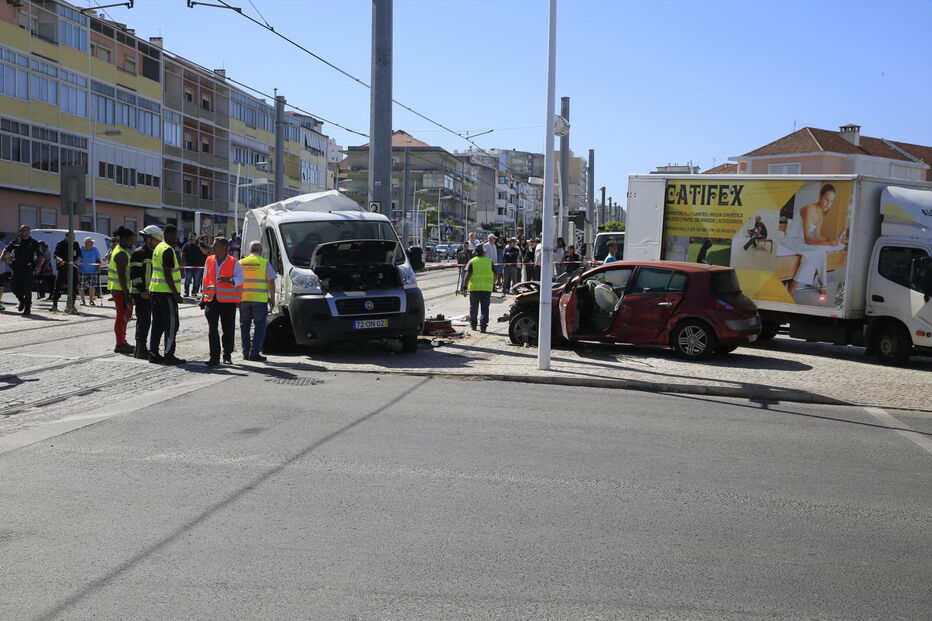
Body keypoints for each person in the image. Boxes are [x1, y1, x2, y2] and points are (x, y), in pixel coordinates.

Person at [786, 184, 846, 296]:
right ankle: (794, 285)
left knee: (821, 249)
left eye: (831, 201)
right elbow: (808, 239)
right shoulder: (809, 209)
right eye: (826, 199)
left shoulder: (821, 213)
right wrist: (827, 243)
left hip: (802, 240)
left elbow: (817, 235)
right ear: (820, 196)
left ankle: (821, 283)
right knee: (814, 251)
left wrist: (830, 239)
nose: (828, 204)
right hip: (793, 240)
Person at [200, 236, 243, 366]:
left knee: (228, 330)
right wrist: (203, 296)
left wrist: (229, 280)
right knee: (212, 329)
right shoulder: (209, 260)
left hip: (228, 301)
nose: (212, 246)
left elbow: (240, 278)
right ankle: (214, 357)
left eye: (215, 244)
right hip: (211, 299)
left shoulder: (233, 261)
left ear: (225, 248)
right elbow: (205, 278)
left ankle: (227, 354)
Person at [148, 224, 186, 365]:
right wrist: (175, 293)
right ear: (166, 234)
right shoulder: (168, 250)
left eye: (176, 235)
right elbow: (167, 272)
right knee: (171, 325)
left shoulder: (158, 247)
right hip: (167, 293)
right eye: (173, 235)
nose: (176, 237)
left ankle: (153, 354)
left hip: (156, 290)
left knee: (158, 324)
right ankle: (169, 355)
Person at [239, 240, 277, 362]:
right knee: (260, 327)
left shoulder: (240, 263)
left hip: (244, 299)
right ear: (261, 251)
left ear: (249, 250)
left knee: (244, 326)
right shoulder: (264, 263)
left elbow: (236, 281)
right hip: (259, 300)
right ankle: (254, 353)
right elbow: (271, 280)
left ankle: (245, 352)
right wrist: (272, 297)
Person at [130, 226, 160, 359]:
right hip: (140, 292)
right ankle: (141, 349)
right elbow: (134, 274)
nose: (148, 241)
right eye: (148, 238)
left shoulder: (155, 254)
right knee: (144, 320)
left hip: (151, 292)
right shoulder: (139, 253)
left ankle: (140, 349)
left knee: (146, 320)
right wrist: (142, 290)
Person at [1, 226, 42, 316]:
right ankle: (22, 301)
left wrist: (39, 266)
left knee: (27, 289)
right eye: (22, 230)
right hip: (16, 268)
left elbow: (41, 256)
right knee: (13, 287)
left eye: (26, 230)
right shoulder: (16, 241)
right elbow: (7, 249)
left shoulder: (33, 242)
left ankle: (27, 308)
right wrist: (2, 255)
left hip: (28, 268)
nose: (24, 232)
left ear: (29, 231)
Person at [107, 227, 136, 354]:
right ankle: (120, 343)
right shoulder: (121, 254)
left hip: (119, 289)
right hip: (120, 290)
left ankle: (122, 341)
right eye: (131, 240)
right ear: (124, 239)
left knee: (123, 317)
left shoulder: (119, 250)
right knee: (121, 317)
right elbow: (122, 276)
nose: (132, 242)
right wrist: (127, 294)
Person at [461, 244, 494, 332]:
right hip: (487, 289)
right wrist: (493, 283)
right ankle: (483, 327)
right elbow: (496, 274)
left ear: (475, 253)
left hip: (474, 288)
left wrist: (464, 287)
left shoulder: (472, 261)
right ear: (483, 253)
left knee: (473, 308)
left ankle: (474, 325)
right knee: (485, 308)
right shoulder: (489, 261)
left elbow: (467, 276)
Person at [50, 232, 80, 312]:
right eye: (71, 237)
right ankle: (54, 305)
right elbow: (55, 255)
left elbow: (79, 255)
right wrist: (59, 260)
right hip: (62, 267)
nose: (73, 239)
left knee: (74, 286)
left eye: (74, 237)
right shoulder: (60, 244)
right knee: (58, 286)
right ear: (66, 237)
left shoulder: (75, 244)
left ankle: (71, 305)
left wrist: (76, 261)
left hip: (73, 267)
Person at [181, 232, 209, 297]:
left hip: (199, 266)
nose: (191, 238)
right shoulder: (186, 245)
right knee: (187, 280)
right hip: (189, 266)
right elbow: (183, 254)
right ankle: (186, 292)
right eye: (190, 236)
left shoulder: (201, 244)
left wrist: (199, 246)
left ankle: (194, 291)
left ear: (195, 237)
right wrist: (183, 262)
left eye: (193, 236)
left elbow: (205, 252)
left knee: (197, 280)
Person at [78, 237, 101, 306]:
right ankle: (83, 301)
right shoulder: (81, 250)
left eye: (92, 243)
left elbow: (98, 259)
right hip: (82, 271)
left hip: (93, 271)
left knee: (92, 286)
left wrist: (98, 266)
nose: (92, 244)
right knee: (81, 287)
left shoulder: (95, 249)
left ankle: (91, 300)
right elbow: (78, 259)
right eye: (91, 242)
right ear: (86, 243)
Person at [0, 231, 10, 312]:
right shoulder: (4, 246)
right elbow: (7, 260)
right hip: (1, 270)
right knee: (1, 287)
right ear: (3, 238)